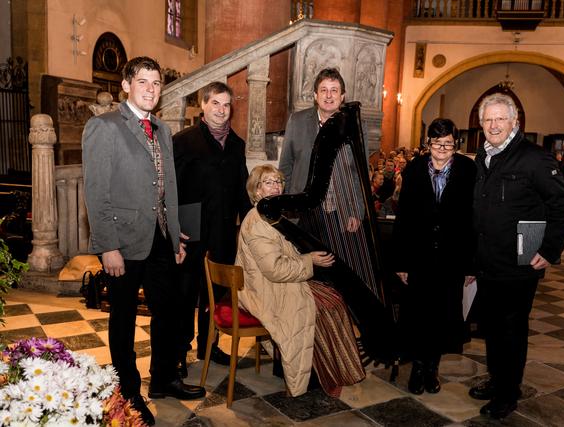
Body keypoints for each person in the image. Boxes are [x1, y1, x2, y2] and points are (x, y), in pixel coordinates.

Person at [82, 56, 205, 426]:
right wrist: (107, 246)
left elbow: (168, 187)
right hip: (123, 241)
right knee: (123, 318)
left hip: (161, 239)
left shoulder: (163, 130)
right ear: (126, 85)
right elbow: (96, 192)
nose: (151, 89)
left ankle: (164, 379)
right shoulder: (104, 127)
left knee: (167, 313)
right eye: (143, 82)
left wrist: (176, 234)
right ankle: (129, 392)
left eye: (156, 83)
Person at [471, 93, 564, 419]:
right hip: (487, 260)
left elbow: (562, 205)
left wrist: (549, 249)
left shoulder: (534, 158)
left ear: (515, 122)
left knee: (511, 329)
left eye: (501, 118)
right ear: (480, 124)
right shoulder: (482, 156)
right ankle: (497, 379)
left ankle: (507, 393)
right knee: (491, 327)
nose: (494, 125)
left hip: (519, 260)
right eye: (488, 119)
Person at [235, 164, 366, 397]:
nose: (276, 186)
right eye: (268, 182)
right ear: (256, 191)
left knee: (333, 298)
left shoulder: (270, 215)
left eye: (278, 182)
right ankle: (320, 374)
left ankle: (325, 369)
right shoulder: (257, 223)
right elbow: (275, 270)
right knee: (327, 306)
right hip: (265, 289)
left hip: (275, 282)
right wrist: (310, 261)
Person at [392, 118, 476, 395]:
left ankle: (432, 368)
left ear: (456, 144)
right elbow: (403, 218)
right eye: (437, 143)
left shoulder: (467, 170)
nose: (442, 148)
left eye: (448, 143)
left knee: (442, 316)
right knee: (418, 315)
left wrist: (471, 264)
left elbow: (474, 220)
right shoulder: (415, 169)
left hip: (452, 258)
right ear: (427, 143)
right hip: (418, 257)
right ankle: (417, 367)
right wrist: (401, 261)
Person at [173, 82, 252, 373]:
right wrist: (172, 228)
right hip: (189, 230)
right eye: (215, 103)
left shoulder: (236, 144)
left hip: (222, 231)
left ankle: (209, 345)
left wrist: (252, 222)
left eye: (226, 104)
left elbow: (242, 190)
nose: (221, 109)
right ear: (203, 105)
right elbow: (171, 189)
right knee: (185, 293)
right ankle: (179, 351)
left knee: (215, 295)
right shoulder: (183, 141)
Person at [278, 67, 360, 232]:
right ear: (316, 95)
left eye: (334, 90)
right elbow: (285, 167)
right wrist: (286, 205)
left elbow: (358, 174)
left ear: (342, 96)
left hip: (340, 212)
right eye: (323, 90)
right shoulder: (297, 121)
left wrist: (356, 212)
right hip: (302, 211)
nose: (329, 96)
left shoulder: (355, 126)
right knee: (302, 256)